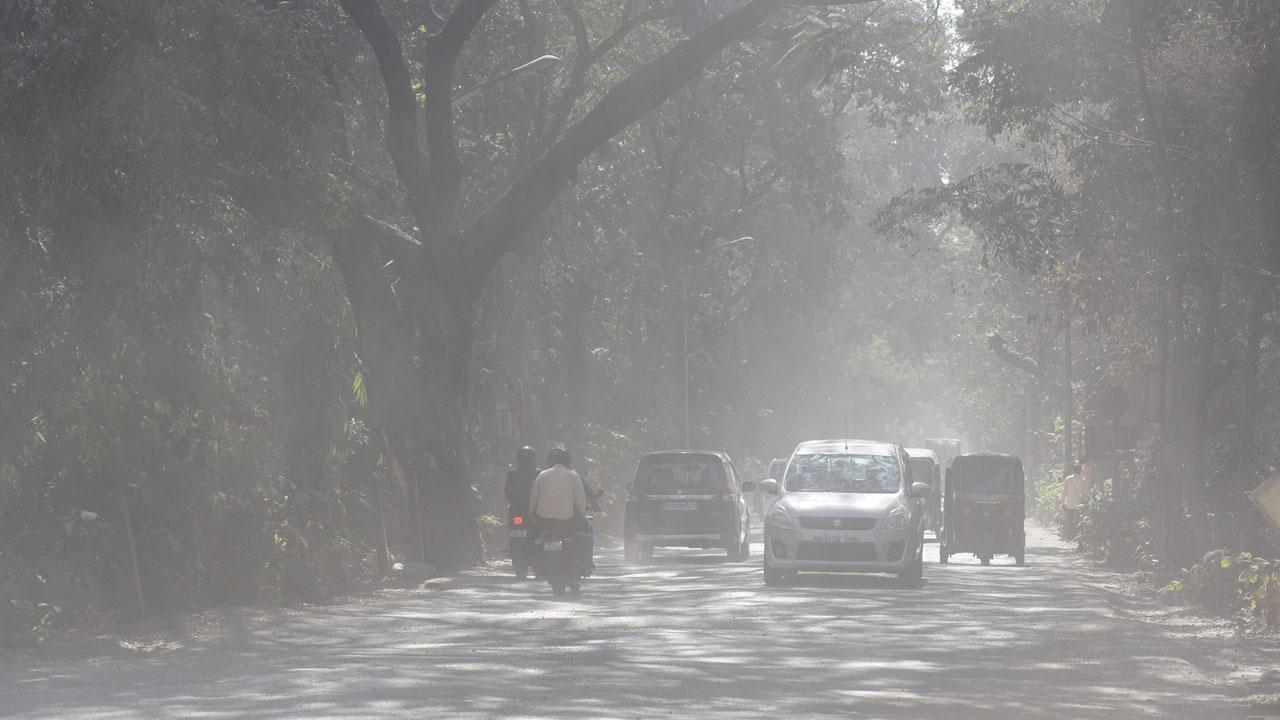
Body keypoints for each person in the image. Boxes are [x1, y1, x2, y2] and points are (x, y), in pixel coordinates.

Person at [530, 448, 590, 571]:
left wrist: (532, 514)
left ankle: (534, 562)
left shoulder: (542, 475)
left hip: (544, 519)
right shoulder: (573, 476)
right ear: (569, 463)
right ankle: (586, 563)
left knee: (532, 535)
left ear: (553, 460)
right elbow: (580, 499)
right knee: (587, 532)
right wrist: (581, 514)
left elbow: (534, 498)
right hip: (566, 520)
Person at [505, 445, 539, 519]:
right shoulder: (539, 473)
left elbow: (507, 492)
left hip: (516, 508)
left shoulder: (512, 473)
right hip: (533, 510)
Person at [1061, 463, 1084, 540]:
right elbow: (1085, 492)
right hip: (1079, 504)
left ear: (1073, 470)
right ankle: (1077, 537)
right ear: (1080, 471)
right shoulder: (1082, 480)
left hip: (1069, 503)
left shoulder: (1068, 479)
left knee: (1069, 521)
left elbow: (1064, 491)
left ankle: (1069, 537)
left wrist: (1062, 502)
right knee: (1078, 521)